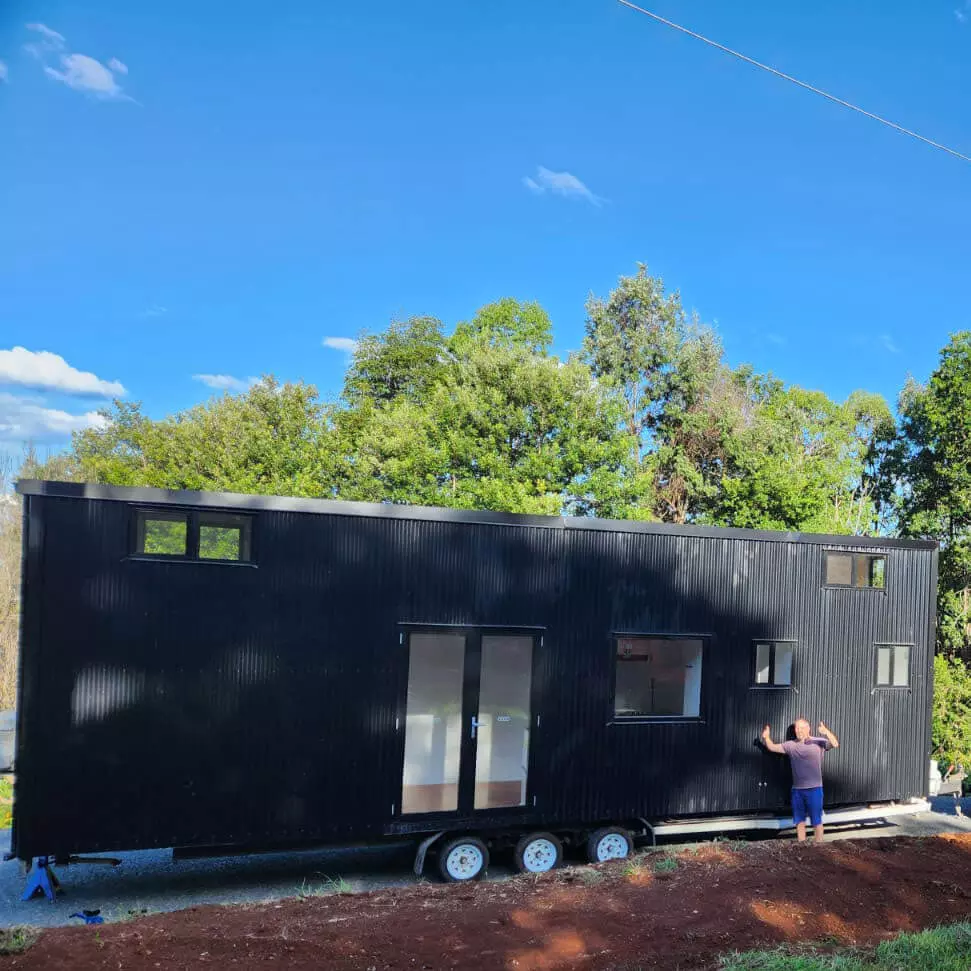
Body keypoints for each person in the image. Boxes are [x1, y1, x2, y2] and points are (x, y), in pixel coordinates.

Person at [762, 717, 840, 843]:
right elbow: (772, 747)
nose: (799, 730)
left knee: (816, 821)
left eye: (802, 727)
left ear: (808, 728)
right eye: (797, 728)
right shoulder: (790, 745)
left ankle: (819, 848)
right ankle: (802, 847)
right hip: (797, 791)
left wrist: (826, 732)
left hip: (815, 789)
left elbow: (835, 744)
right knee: (799, 821)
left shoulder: (818, 742)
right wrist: (766, 738)